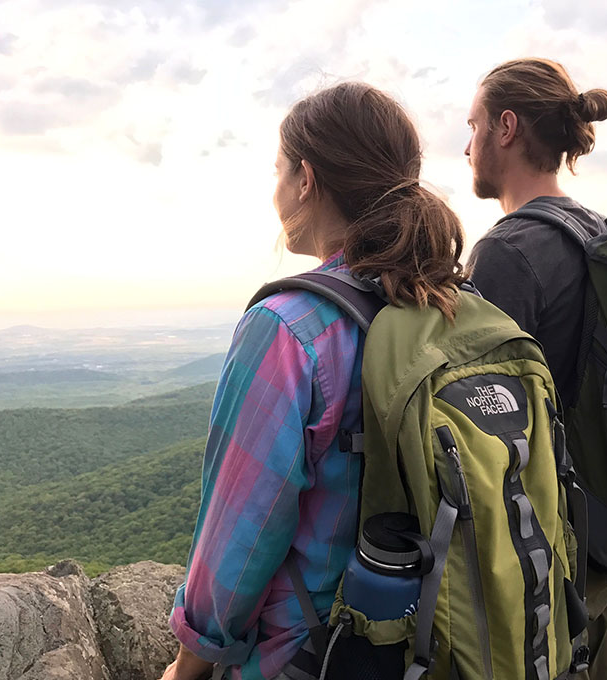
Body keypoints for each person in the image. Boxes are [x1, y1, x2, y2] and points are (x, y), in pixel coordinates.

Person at [161, 82, 468, 680]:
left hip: (314, 651)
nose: (276, 188)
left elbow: (240, 536)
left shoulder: (289, 328)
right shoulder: (450, 304)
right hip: (432, 634)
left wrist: (187, 664)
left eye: (278, 171)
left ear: (306, 178)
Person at [464, 58, 607, 680]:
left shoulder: (507, 253)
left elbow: (474, 424)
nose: (467, 147)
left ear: (505, 128)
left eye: (473, 127)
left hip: (547, 553)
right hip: (603, 529)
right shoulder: (595, 231)